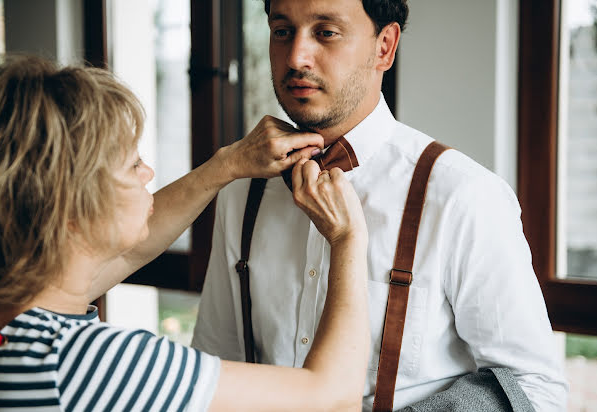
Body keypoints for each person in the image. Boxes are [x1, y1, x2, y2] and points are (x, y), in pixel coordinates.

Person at [192, 0, 568, 411]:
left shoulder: (463, 196)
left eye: (325, 32)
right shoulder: (242, 191)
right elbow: (216, 364)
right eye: (282, 31)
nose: (297, 56)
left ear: (384, 46)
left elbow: (535, 391)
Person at [0, 55, 371, 411]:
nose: (148, 174)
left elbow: (131, 253)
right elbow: (332, 398)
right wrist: (347, 238)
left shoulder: (3, 322)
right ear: (69, 209)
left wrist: (227, 165)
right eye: (132, 164)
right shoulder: (85, 363)